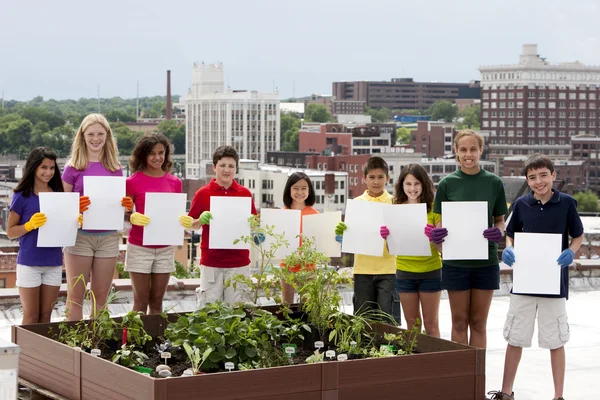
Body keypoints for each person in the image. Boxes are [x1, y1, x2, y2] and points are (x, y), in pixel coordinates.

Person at [487, 154, 583, 400]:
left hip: (553, 283)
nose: (538, 181)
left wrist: (570, 252)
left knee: (556, 340)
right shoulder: (520, 204)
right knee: (515, 338)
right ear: (527, 180)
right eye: (532, 177)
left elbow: (578, 236)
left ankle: (558, 396)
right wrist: (509, 247)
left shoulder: (567, 203)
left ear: (553, 175)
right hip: (524, 283)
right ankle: (506, 393)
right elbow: (510, 234)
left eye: (543, 175)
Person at [431, 129, 508, 348]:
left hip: (486, 262)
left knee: (478, 323)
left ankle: (478, 378)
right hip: (456, 263)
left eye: (473, 149)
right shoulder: (446, 184)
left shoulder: (494, 183)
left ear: (481, 150)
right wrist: (438, 233)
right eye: (463, 149)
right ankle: (463, 378)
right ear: (456, 151)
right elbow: (440, 223)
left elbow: (500, 219)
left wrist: (499, 231)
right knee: (459, 322)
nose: (468, 154)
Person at [62, 114, 132, 320]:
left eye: (100, 134)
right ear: (82, 136)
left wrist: (126, 206)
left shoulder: (115, 168)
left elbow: (117, 203)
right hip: (79, 237)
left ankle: (96, 346)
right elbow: (62, 205)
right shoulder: (72, 167)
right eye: (91, 134)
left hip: (108, 237)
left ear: (107, 136)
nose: (95, 138)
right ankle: (72, 347)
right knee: (75, 296)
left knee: (101, 298)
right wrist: (76, 206)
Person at [124, 134, 192, 315]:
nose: (157, 157)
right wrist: (131, 216)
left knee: (157, 301)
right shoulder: (132, 182)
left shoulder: (175, 182)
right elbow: (124, 212)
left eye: (161, 153)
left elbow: (174, 214)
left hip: (164, 248)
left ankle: (155, 341)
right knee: (140, 301)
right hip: (139, 247)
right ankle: (134, 342)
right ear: (143, 155)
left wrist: (184, 220)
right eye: (152, 153)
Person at [188, 145, 258, 308]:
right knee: (209, 311)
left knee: (239, 310)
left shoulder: (245, 193)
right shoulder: (203, 193)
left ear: (236, 169)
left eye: (231, 166)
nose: (227, 170)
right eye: (222, 165)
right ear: (214, 167)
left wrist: (255, 224)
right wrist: (200, 221)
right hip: (212, 262)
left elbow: (254, 224)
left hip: (239, 262)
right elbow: (189, 224)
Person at [7, 148, 65, 324]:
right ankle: (25, 352)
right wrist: (29, 225)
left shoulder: (59, 195)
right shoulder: (22, 196)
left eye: (52, 168)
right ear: (33, 168)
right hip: (29, 263)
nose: (48, 172)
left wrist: (73, 221)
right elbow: (10, 232)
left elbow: (63, 229)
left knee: (46, 316)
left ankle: (42, 352)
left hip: (53, 262)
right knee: (31, 316)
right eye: (43, 167)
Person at [335, 156, 397, 318]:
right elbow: (351, 236)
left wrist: (392, 235)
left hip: (389, 269)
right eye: (371, 177)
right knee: (363, 319)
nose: (376, 182)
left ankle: (386, 345)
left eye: (380, 177)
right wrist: (343, 234)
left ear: (387, 179)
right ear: (364, 179)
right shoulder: (357, 203)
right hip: (362, 269)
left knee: (387, 319)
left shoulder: (395, 203)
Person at [392, 164, 442, 337]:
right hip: (405, 272)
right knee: (412, 324)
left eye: (416, 183)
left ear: (424, 184)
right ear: (402, 186)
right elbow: (390, 247)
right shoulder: (395, 209)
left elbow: (443, 249)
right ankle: (415, 362)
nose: (412, 188)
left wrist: (434, 238)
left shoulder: (435, 208)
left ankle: (436, 363)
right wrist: (386, 236)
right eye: (408, 184)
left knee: (431, 324)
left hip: (431, 272)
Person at [279, 172, 319, 304]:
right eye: (295, 188)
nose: (299, 192)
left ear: (309, 190)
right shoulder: (281, 213)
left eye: (304, 188)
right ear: (289, 190)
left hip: (309, 268)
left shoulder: (315, 215)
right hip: (287, 267)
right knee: (286, 306)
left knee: (308, 307)